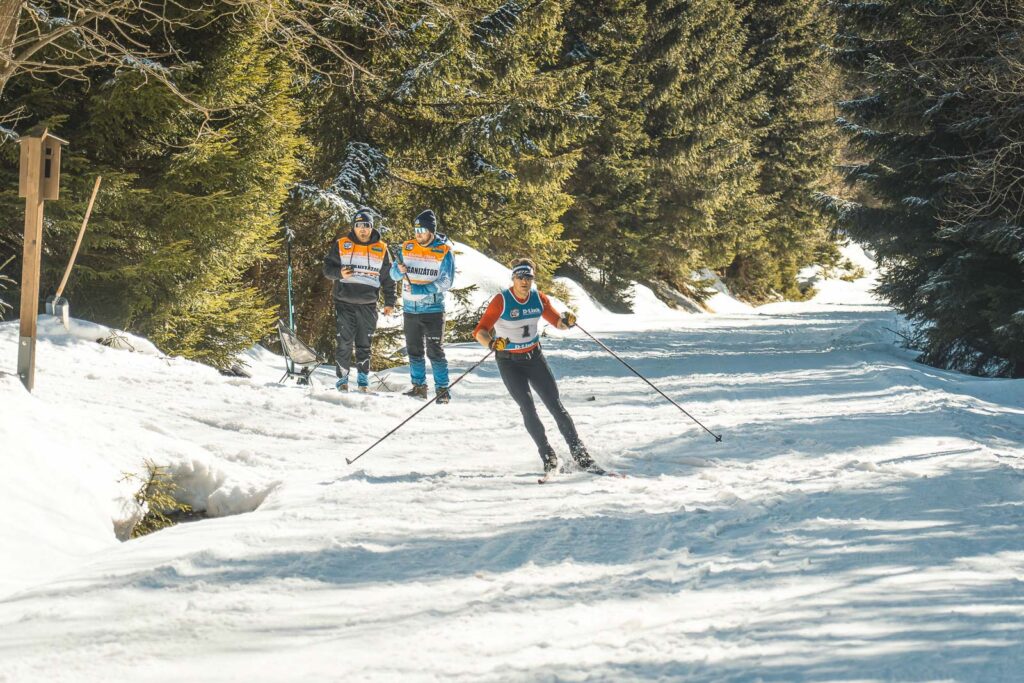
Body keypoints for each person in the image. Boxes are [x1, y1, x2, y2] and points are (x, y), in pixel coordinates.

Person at [473, 258, 601, 474]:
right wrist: (492, 343)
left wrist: (567, 322)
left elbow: (557, 322)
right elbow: (480, 331)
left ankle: (580, 454)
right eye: (520, 277)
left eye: (529, 277)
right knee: (527, 407)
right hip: (509, 361)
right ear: (513, 278)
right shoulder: (501, 301)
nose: (524, 281)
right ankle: (547, 455)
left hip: (534, 358)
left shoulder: (538, 298)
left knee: (555, 405)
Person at [322, 208, 396, 392]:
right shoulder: (342, 244)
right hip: (344, 302)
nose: (363, 229)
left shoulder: (382, 248)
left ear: (371, 227)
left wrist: (390, 302)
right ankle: (342, 380)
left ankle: (363, 381)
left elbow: (389, 278)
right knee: (344, 343)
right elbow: (327, 269)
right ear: (353, 227)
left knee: (365, 344)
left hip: (368, 304)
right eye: (359, 225)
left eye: (366, 225)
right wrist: (339, 273)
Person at [390, 209, 455, 403]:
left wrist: (422, 289)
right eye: (416, 230)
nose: (418, 234)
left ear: (431, 231)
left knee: (435, 351)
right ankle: (419, 387)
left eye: (422, 230)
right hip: (410, 309)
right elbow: (393, 275)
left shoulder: (444, 250)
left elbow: (446, 281)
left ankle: (442, 390)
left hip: (433, 310)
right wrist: (398, 270)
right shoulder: (407, 247)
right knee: (414, 350)